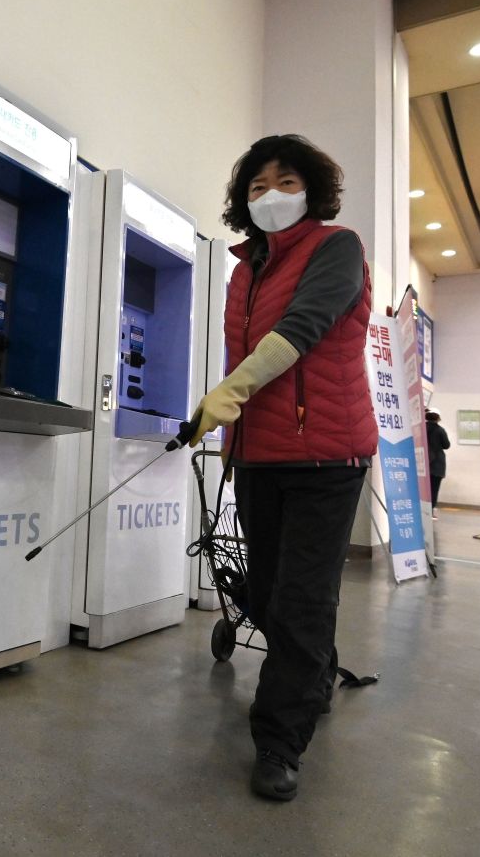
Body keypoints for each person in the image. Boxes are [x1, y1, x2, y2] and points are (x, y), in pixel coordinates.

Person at [188, 134, 377, 802]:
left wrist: (228, 392)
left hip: (328, 455)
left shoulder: (337, 248)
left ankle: (279, 741)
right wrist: (224, 426)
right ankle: (315, 671)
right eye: (258, 185)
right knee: (263, 592)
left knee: (299, 601)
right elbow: (245, 357)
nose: (271, 195)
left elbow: (301, 329)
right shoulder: (245, 269)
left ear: (312, 188)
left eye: (286, 181)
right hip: (260, 456)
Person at [425, 407, 450, 517]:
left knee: (423, 488)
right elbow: (446, 445)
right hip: (437, 464)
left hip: (423, 462)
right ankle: (431, 510)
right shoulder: (440, 430)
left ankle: (422, 509)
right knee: (434, 489)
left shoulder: (421, 429)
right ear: (438, 418)